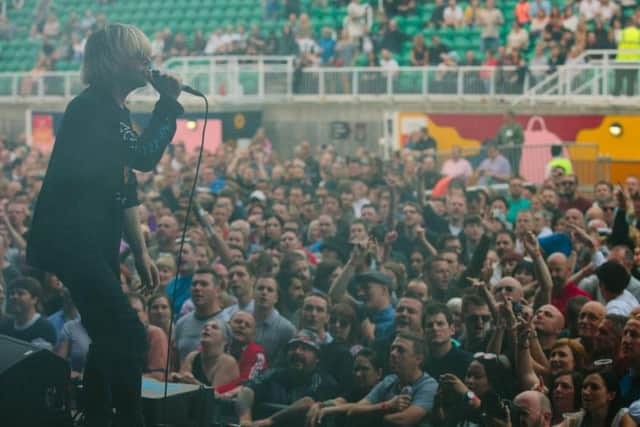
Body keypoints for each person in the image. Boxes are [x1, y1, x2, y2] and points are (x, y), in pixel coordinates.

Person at [25, 24, 183, 426]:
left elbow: (126, 184)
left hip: (92, 242)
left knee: (110, 335)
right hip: (74, 242)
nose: (148, 62)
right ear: (112, 62)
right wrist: (167, 105)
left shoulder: (113, 111)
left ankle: (94, 416)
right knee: (129, 334)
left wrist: (142, 252)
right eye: (139, 55)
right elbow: (145, 156)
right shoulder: (91, 108)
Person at [234, 329, 339, 426]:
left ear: (317, 358)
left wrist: (269, 421)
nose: (297, 352)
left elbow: (307, 403)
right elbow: (247, 391)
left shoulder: (325, 382)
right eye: (293, 347)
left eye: (305, 348)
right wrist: (245, 420)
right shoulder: (274, 374)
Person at [348, 332, 438, 427]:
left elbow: (403, 420)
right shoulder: (389, 381)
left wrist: (376, 416)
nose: (393, 353)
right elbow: (354, 411)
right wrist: (387, 405)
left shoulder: (429, 386)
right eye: (392, 348)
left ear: (418, 358)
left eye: (400, 350)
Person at [171, 319, 239, 391]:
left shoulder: (228, 362)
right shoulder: (192, 356)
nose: (207, 328)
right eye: (205, 327)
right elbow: (180, 388)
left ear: (225, 340)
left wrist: (193, 383)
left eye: (214, 327)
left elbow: (215, 396)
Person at [1, 276, 56, 350]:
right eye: (12, 293)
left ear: (34, 299)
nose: (14, 296)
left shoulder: (44, 328)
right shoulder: (5, 325)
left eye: (20, 293)